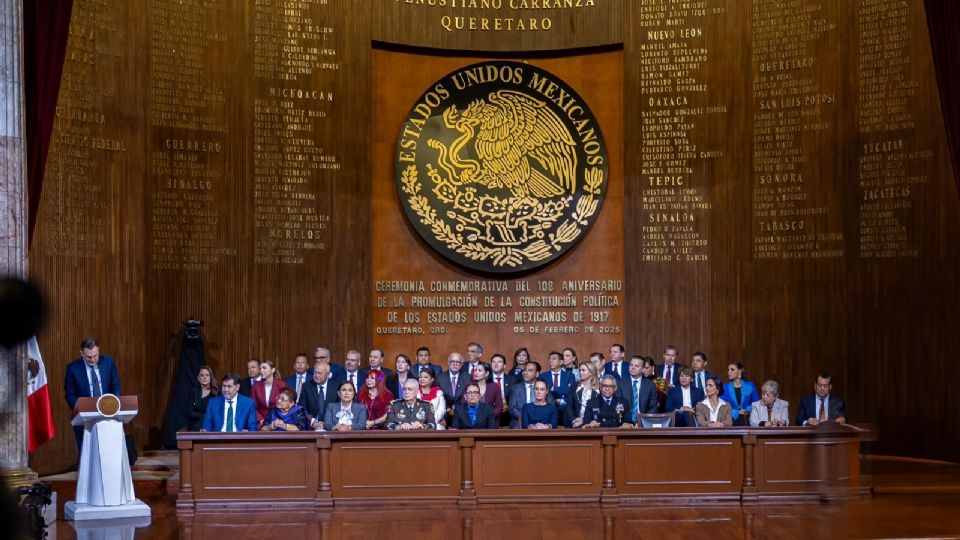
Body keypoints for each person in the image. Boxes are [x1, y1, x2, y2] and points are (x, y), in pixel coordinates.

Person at [64, 338, 122, 455]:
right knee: (86, 453)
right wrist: (78, 409)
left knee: (108, 452)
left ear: (98, 351)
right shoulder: (73, 369)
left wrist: (114, 402)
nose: (93, 359)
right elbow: (69, 394)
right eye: (89, 357)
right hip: (84, 417)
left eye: (95, 356)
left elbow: (115, 384)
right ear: (82, 353)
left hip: (107, 413)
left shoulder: (108, 362)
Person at [509, 361, 554, 428]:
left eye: (530, 370)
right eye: (524, 370)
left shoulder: (544, 387)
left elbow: (551, 405)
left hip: (542, 419)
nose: (525, 373)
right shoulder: (515, 388)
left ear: (537, 374)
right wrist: (526, 416)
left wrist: (538, 419)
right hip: (520, 419)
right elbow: (512, 409)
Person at [617, 356, 659, 424]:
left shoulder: (650, 385)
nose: (633, 367)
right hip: (625, 423)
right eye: (631, 365)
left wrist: (643, 422)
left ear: (642, 369)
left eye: (636, 366)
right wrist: (625, 422)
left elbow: (653, 407)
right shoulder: (621, 384)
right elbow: (618, 406)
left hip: (644, 423)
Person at [298, 361, 337, 430]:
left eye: (320, 373)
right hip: (312, 428)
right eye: (315, 372)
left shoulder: (336, 387)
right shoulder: (307, 386)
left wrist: (327, 424)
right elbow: (302, 408)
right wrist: (313, 422)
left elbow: (339, 408)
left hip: (332, 427)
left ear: (327, 375)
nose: (316, 375)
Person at [253, 359, 289, 425]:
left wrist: (277, 420)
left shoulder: (282, 385)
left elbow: (285, 405)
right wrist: (260, 419)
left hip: (278, 421)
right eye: (260, 368)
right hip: (260, 422)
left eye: (264, 368)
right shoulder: (256, 385)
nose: (261, 371)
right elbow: (253, 406)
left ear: (272, 370)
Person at [565, 362, 600, 428]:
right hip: (576, 423)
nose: (580, 373)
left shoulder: (599, 388)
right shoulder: (574, 386)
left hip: (593, 424)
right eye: (580, 370)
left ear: (591, 372)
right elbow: (569, 406)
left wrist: (586, 422)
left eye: (583, 370)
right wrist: (574, 420)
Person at [188, 365, 218, 430]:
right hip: (196, 426)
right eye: (202, 375)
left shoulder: (216, 392)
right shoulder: (194, 391)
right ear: (198, 378)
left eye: (207, 375)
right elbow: (190, 413)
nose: (204, 377)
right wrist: (204, 415)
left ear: (211, 377)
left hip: (212, 426)